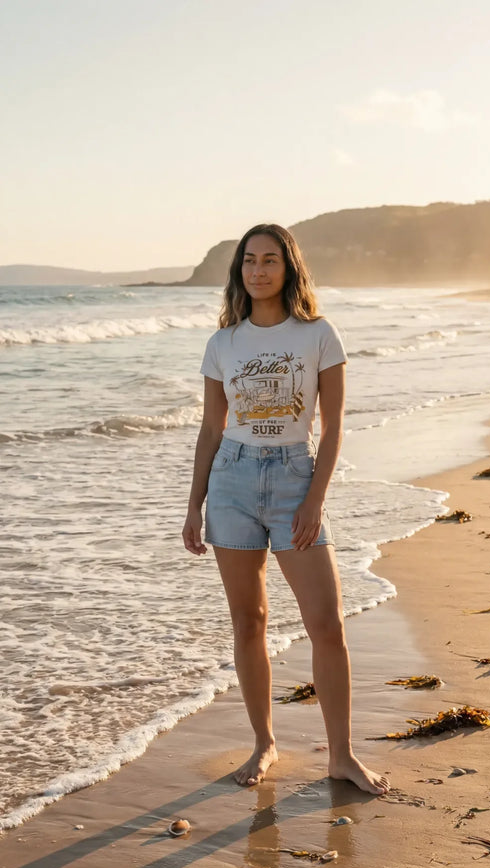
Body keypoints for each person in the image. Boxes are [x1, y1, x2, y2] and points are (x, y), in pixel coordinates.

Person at [182, 224, 390, 796]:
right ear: (239, 271)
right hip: (232, 481)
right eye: (249, 261)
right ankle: (264, 743)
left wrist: (315, 499)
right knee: (249, 622)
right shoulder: (223, 343)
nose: (258, 270)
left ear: (289, 268)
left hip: (296, 476)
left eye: (270, 260)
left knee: (327, 623)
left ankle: (342, 755)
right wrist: (193, 505)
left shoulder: (319, 334)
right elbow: (210, 429)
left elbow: (334, 426)